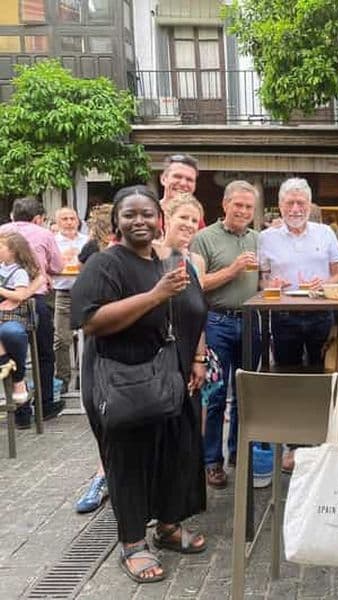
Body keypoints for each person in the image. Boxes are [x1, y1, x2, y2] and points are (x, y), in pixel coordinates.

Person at [71, 185, 208, 583]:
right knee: (129, 458)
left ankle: (167, 526)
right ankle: (132, 543)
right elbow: (91, 321)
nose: (139, 221)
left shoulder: (172, 262)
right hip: (123, 377)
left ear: (159, 220)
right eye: (129, 214)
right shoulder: (105, 264)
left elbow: (195, 309)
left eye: (147, 214)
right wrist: (154, 296)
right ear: (117, 222)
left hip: (174, 374)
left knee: (176, 451)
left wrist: (197, 357)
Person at [258, 178, 338, 473]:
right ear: (280, 206)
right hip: (284, 315)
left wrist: (326, 283)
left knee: (322, 377)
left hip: (321, 312)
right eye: (290, 203)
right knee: (289, 379)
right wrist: (271, 284)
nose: (295, 208)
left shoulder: (325, 233)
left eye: (301, 203)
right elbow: (262, 280)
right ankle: (294, 446)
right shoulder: (266, 238)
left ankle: (320, 442)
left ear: (309, 205)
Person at [191, 180, 261, 490]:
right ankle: (212, 462)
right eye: (239, 205)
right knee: (216, 394)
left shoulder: (258, 239)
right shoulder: (204, 238)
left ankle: (238, 454)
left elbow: (262, 280)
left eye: (249, 207)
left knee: (246, 393)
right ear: (225, 205)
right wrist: (233, 270)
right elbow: (198, 283)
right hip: (217, 321)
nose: (244, 211)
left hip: (251, 321)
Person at [0, 198, 64, 428]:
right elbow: (57, 267)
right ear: (38, 218)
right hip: (33, 301)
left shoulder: (2, 231)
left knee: (11, 346)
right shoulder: (44, 233)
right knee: (43, 353)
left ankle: (21, 409)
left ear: (12, 215)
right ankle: (44, 406)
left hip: (13, 301)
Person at [73, 204, 115, 514]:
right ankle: (103, 474)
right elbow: (83, 309)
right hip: (100, 341)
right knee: (96, 406)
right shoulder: (94, 254)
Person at [0, 232, 44, 404]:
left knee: (12, 333)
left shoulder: (19, 272)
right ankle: (5, 362)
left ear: (13, 251)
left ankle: (17, 377)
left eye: (1, 247)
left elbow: (20, 295)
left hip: (13, 315)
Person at [52, 207, 89, 391]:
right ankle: (62, 380)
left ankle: (84, 378)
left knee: (87, 337)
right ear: (57, 222)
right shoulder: (52, 242)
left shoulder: (87, 240)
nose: (69, 222)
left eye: (72, 218)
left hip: (86, 292)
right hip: (63, 292)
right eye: (64, 219)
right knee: (61, 339)